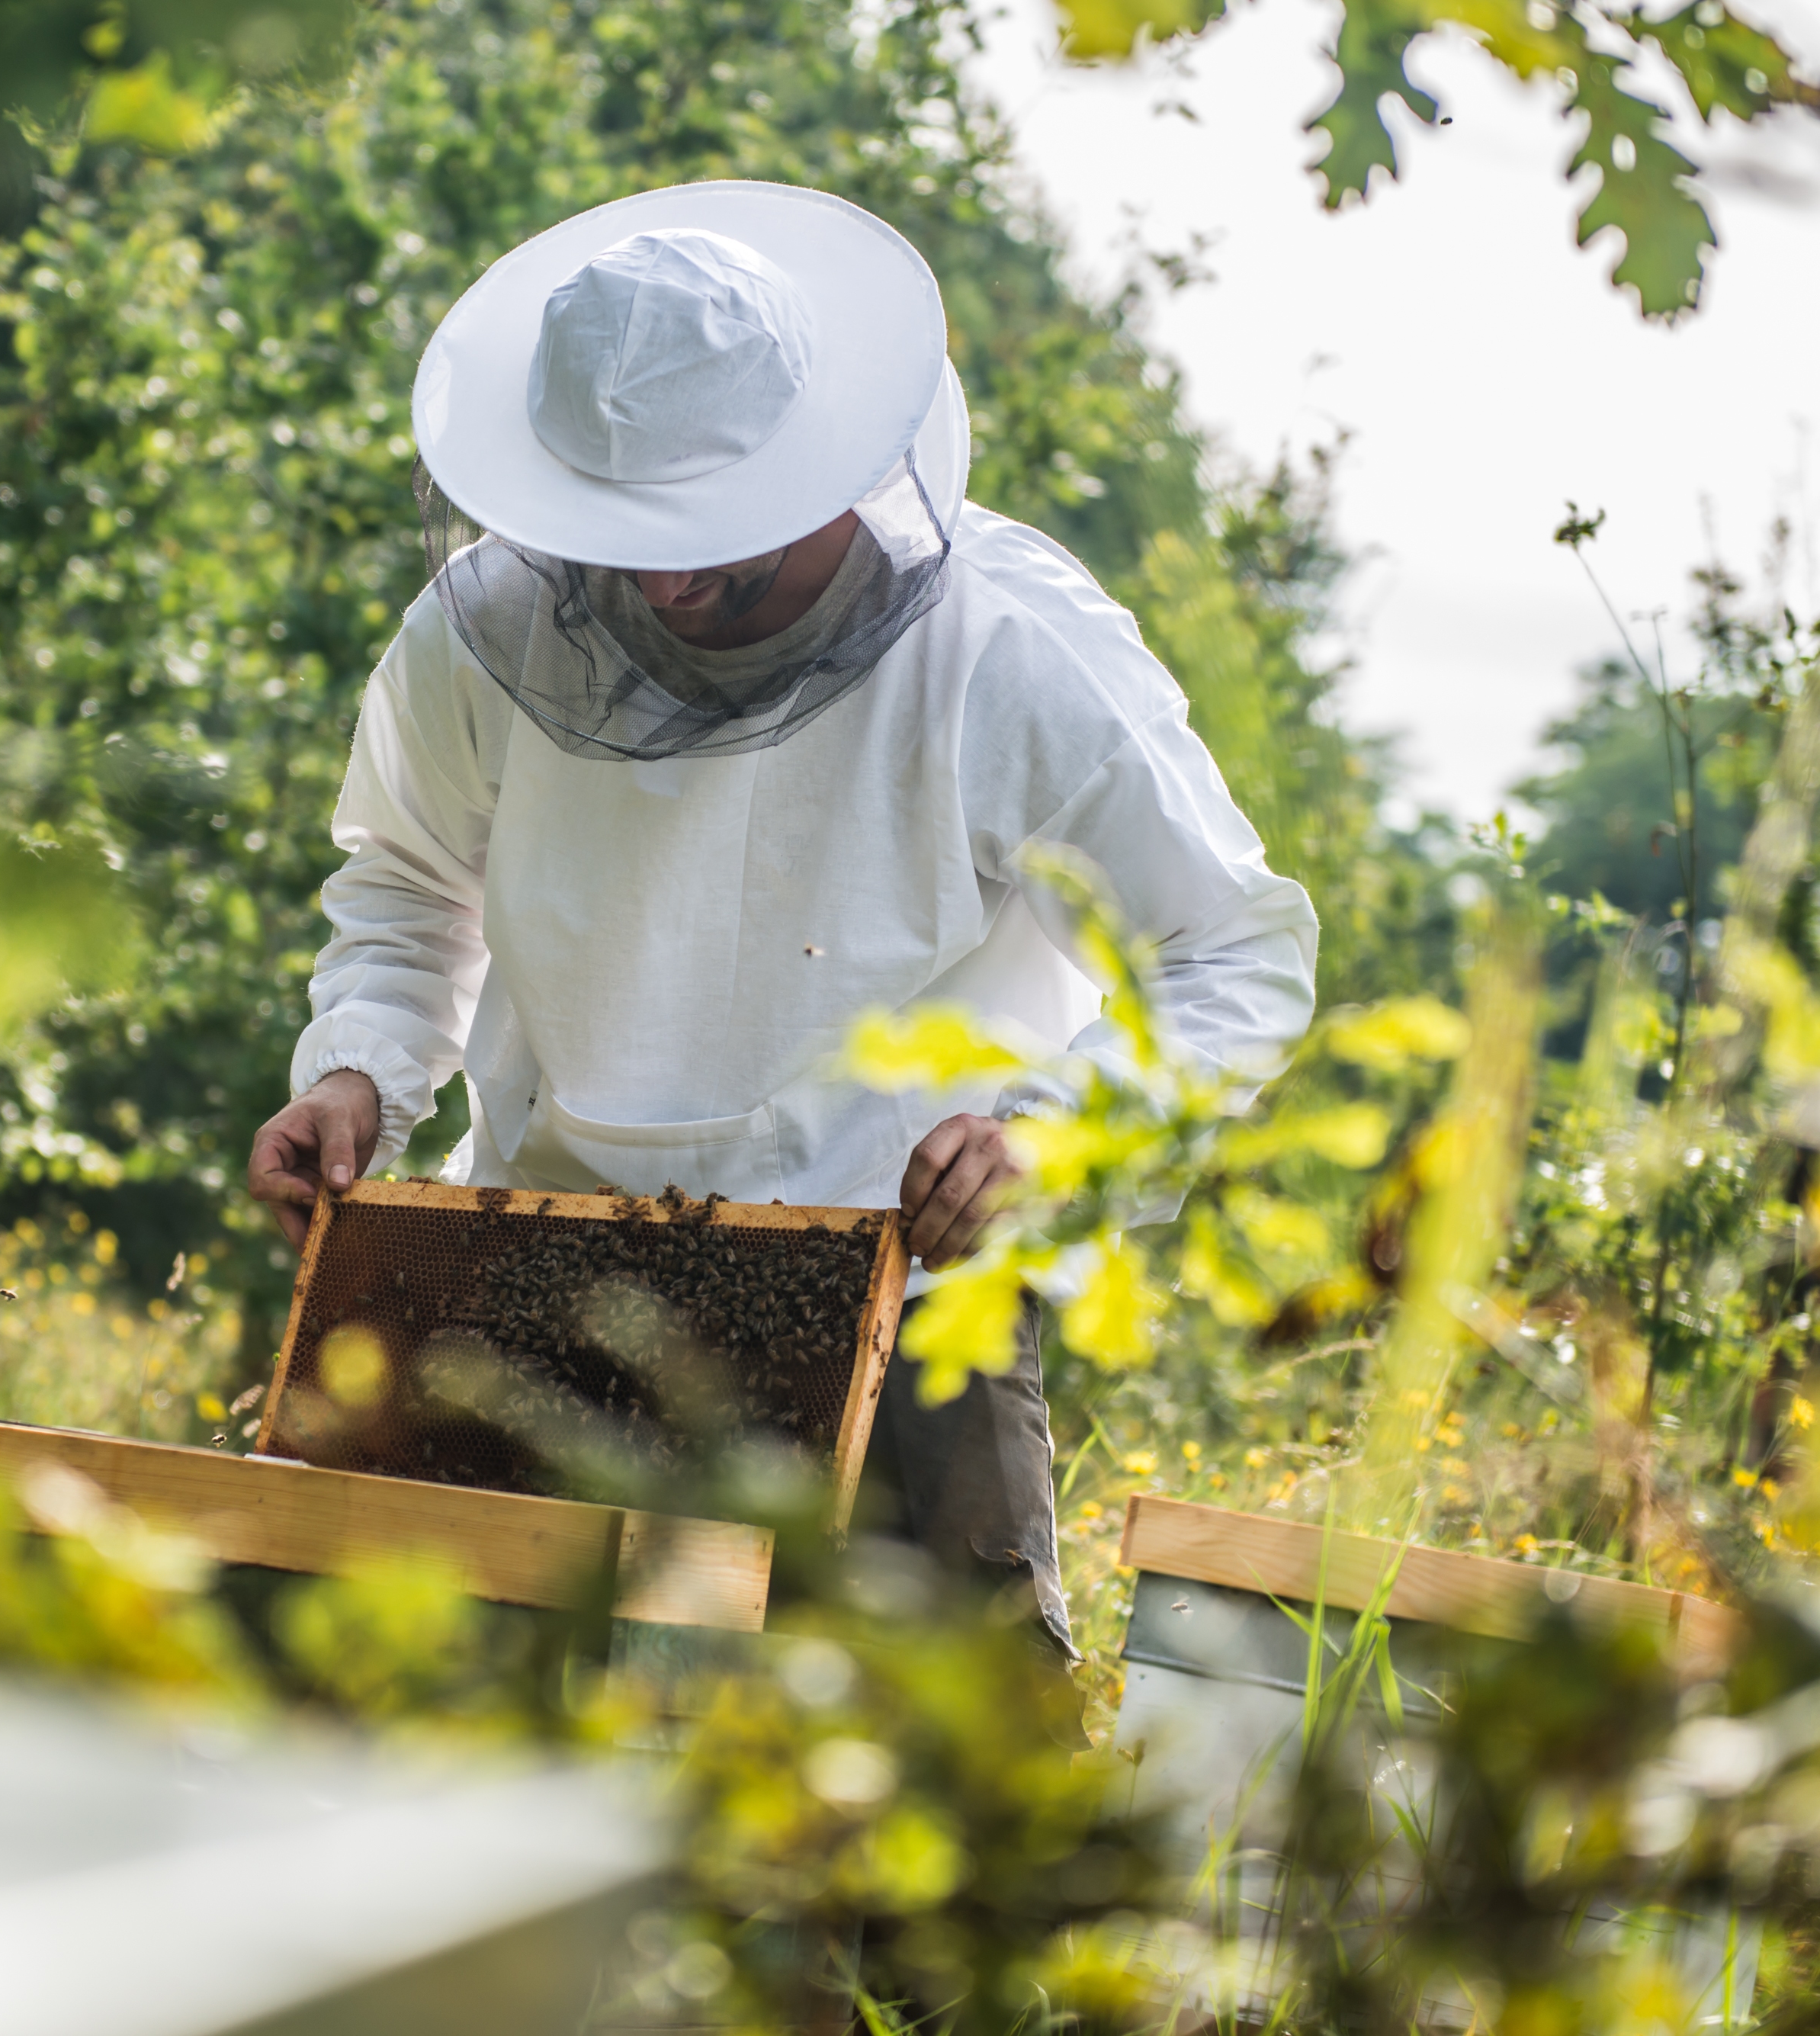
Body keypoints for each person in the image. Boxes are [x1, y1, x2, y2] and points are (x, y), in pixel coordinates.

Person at [242, 182, 1317, 1668]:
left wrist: (1055, 1136)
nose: (664, 582)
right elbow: (408, 881)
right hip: (543, 1279)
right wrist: (357, 1068)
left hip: (898, 1289)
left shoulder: (1006, 650)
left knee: (945, 1806)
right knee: (472, 1778)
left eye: (707, 536)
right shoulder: (485, 630)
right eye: (615, 539)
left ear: (818, 467)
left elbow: (1233, 951)